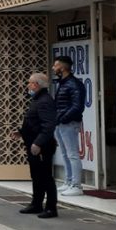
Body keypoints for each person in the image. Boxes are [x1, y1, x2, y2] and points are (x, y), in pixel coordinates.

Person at [11, 73, 58, 219]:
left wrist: (38, 143)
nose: (28, 85)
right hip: (33, 143)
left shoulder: (44, 101)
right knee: (36, 176)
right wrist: (21, 132)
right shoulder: (37, 99)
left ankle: (51, 207)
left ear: (36, 84)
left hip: (41, 146)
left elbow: (48, 125)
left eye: (30, 82)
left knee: (45, 177)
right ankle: (36, 203)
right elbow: (33, 122)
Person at [52, 55, 86, 197]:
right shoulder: (64, 83)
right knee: (65, 154)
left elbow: (77, 106)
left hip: (69, 123)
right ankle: (69, 181)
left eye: (56, 65)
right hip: (61, 123)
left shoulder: (74, 84)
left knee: (72, 154)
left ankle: (76, 185)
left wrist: (63, 118)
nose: (53, 68)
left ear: (63, 67)